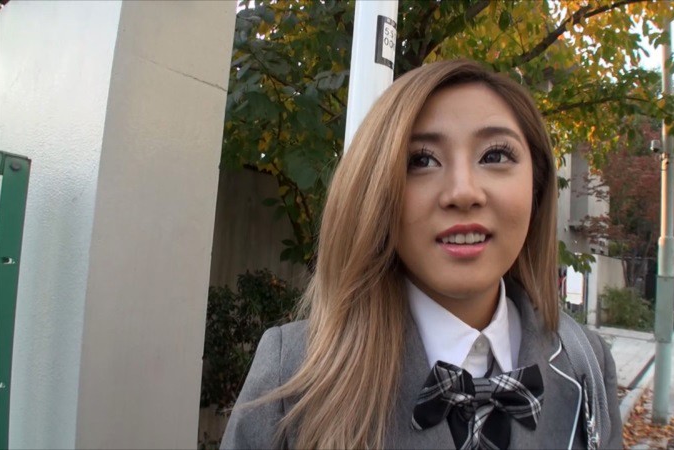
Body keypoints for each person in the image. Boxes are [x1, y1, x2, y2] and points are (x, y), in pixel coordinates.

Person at [220, 59, 622, 449]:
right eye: (421, 160)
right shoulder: (291, 373)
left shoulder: (586, 363)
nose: (463, 192)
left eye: (495, 156)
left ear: (537, 184)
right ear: (375, 192)